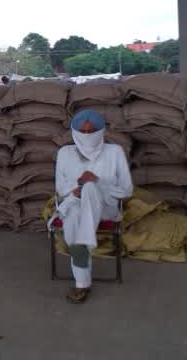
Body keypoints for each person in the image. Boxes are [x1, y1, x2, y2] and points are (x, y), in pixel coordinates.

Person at [53, 109, 132, 304]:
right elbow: (61, 188)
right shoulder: (65, 153)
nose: (87, 136)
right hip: (75, 204)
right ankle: (82, 276)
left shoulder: (114, 152)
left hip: (106, 208)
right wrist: (75, 189)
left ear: (101, 131)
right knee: (74, 214)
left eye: (92, 131)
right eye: (83, 132)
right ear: (74, 132)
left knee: (89, 188)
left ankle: (81, 264)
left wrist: (97, 182)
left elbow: (126, 190)